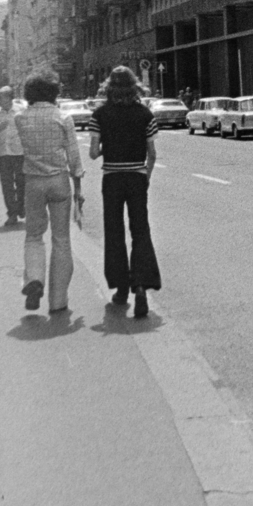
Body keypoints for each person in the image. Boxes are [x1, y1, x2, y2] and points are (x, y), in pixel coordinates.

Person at [89, 66, 161, 319]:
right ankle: (141, 286)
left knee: (114, 231)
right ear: (134, 87)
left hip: (112, 178)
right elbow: (152, 154)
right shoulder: (145, 114)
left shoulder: (100, 114)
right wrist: (145, 177)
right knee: (140, 230)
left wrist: (108, 146)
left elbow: (93, 153)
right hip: (137, 177)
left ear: (109, 87)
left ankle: (121, 289)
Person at [15, 71, 83, 314]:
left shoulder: (21, 118)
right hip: (59, 181)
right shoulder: (63, 118)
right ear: (54, 92)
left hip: (33, 181)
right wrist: (78, 190)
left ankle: (35, 278)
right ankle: (58, 300)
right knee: (61, 240)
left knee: (34, 235)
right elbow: (74, 157)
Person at [0, 86, 25, 227]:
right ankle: (12, 214)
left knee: (22, 183)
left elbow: (27, 130)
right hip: (3, 154)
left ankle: (21, 207)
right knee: (7, 186)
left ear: (10, 98)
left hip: (19, 153)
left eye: (1, 98)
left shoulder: (21, 111)